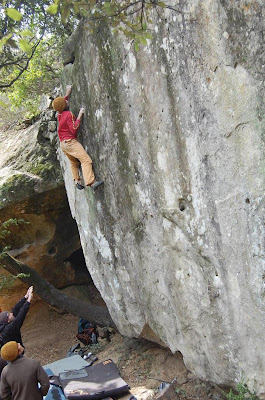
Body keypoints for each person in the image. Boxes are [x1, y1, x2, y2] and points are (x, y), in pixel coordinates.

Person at [52, 85, 104, 191]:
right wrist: (80, 115)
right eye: (65, 101)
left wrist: (68, 92)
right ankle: (91, 182)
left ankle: (77, 181)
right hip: (70, 142)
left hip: (63, 144)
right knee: (85, 160)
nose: (67, 101)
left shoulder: (59, 114)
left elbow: (61, 103)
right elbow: (74, 129)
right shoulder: (68, 115)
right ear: (64, 105)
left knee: (74, 163)